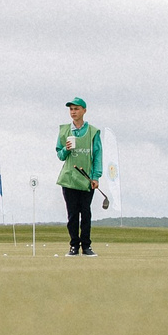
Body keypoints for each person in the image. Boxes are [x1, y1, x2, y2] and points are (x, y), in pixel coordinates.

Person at [57, 98, 103, 256]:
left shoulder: (93, 132)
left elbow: (97, 156)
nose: (73, 112)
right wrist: (66, 149)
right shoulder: (64, 131)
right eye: (71, 109)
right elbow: (60, 155)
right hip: (69, 179)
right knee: (72, 215)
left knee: (86, 213)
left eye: (76, 109)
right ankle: (73, 246)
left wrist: (96, 177)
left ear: (84, 110)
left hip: (87, 180)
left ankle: (87, 246)